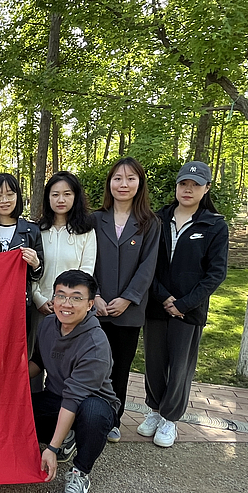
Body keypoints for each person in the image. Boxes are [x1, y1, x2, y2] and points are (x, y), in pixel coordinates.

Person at [139, 161, 228, 447]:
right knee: (154, 363)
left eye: (195, 185)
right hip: (157, 305)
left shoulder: (214, 225)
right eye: (183, 184)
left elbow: (216, 273)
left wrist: (184, 303)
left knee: (179, 367)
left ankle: (170, 418)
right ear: (176, 186)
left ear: (206, 188)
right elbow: (146, 264)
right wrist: (163, 296)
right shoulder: (157, 219)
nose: (188, 190)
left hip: (189, 311)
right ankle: (154, 410)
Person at [30, 269, 119, 493]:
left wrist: (52, 448)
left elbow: (73, 399)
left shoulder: (95, 344)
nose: (66, 304)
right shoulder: (48, 324)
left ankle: (80, 471)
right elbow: (38, 362)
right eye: (61, 295)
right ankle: (67, 436)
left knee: (93, 414)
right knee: (16, 411)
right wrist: (5, 379)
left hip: (92, 402)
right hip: (56, 398)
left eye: (76, 298)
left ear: (90, 304)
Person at [92, 157, 160, 443]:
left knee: (120, 369)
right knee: (93, 366)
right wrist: (94, 294)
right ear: (110, 183)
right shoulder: (95, 219)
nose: (123, 184)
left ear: (139, 183)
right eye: (118, 178)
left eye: (130, 178)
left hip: (128, 313)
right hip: (95, 309)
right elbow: (88, 260)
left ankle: (112, 420)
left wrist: (128, 299)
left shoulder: (149, 223)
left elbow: (148, 266)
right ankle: (87, 418)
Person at [32, 172, 97, 370]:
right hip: (41, 307)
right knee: (35, 360)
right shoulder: (37, 230)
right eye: (55, 194)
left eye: (67, 194)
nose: (61, 199)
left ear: (76, 196)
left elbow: (86, 272)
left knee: (66, 364)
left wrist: (67, 301)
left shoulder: (86, 232)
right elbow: (30, 270)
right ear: (47, 198)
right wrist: (39, 299)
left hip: (71, 309)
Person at [0, 173, 43, 350]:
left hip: (20, 306)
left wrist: (35, 263)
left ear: (18, 196)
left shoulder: (31, 231)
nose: (4, 200)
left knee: (17, 352)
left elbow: (38, 274)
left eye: (10, 194)